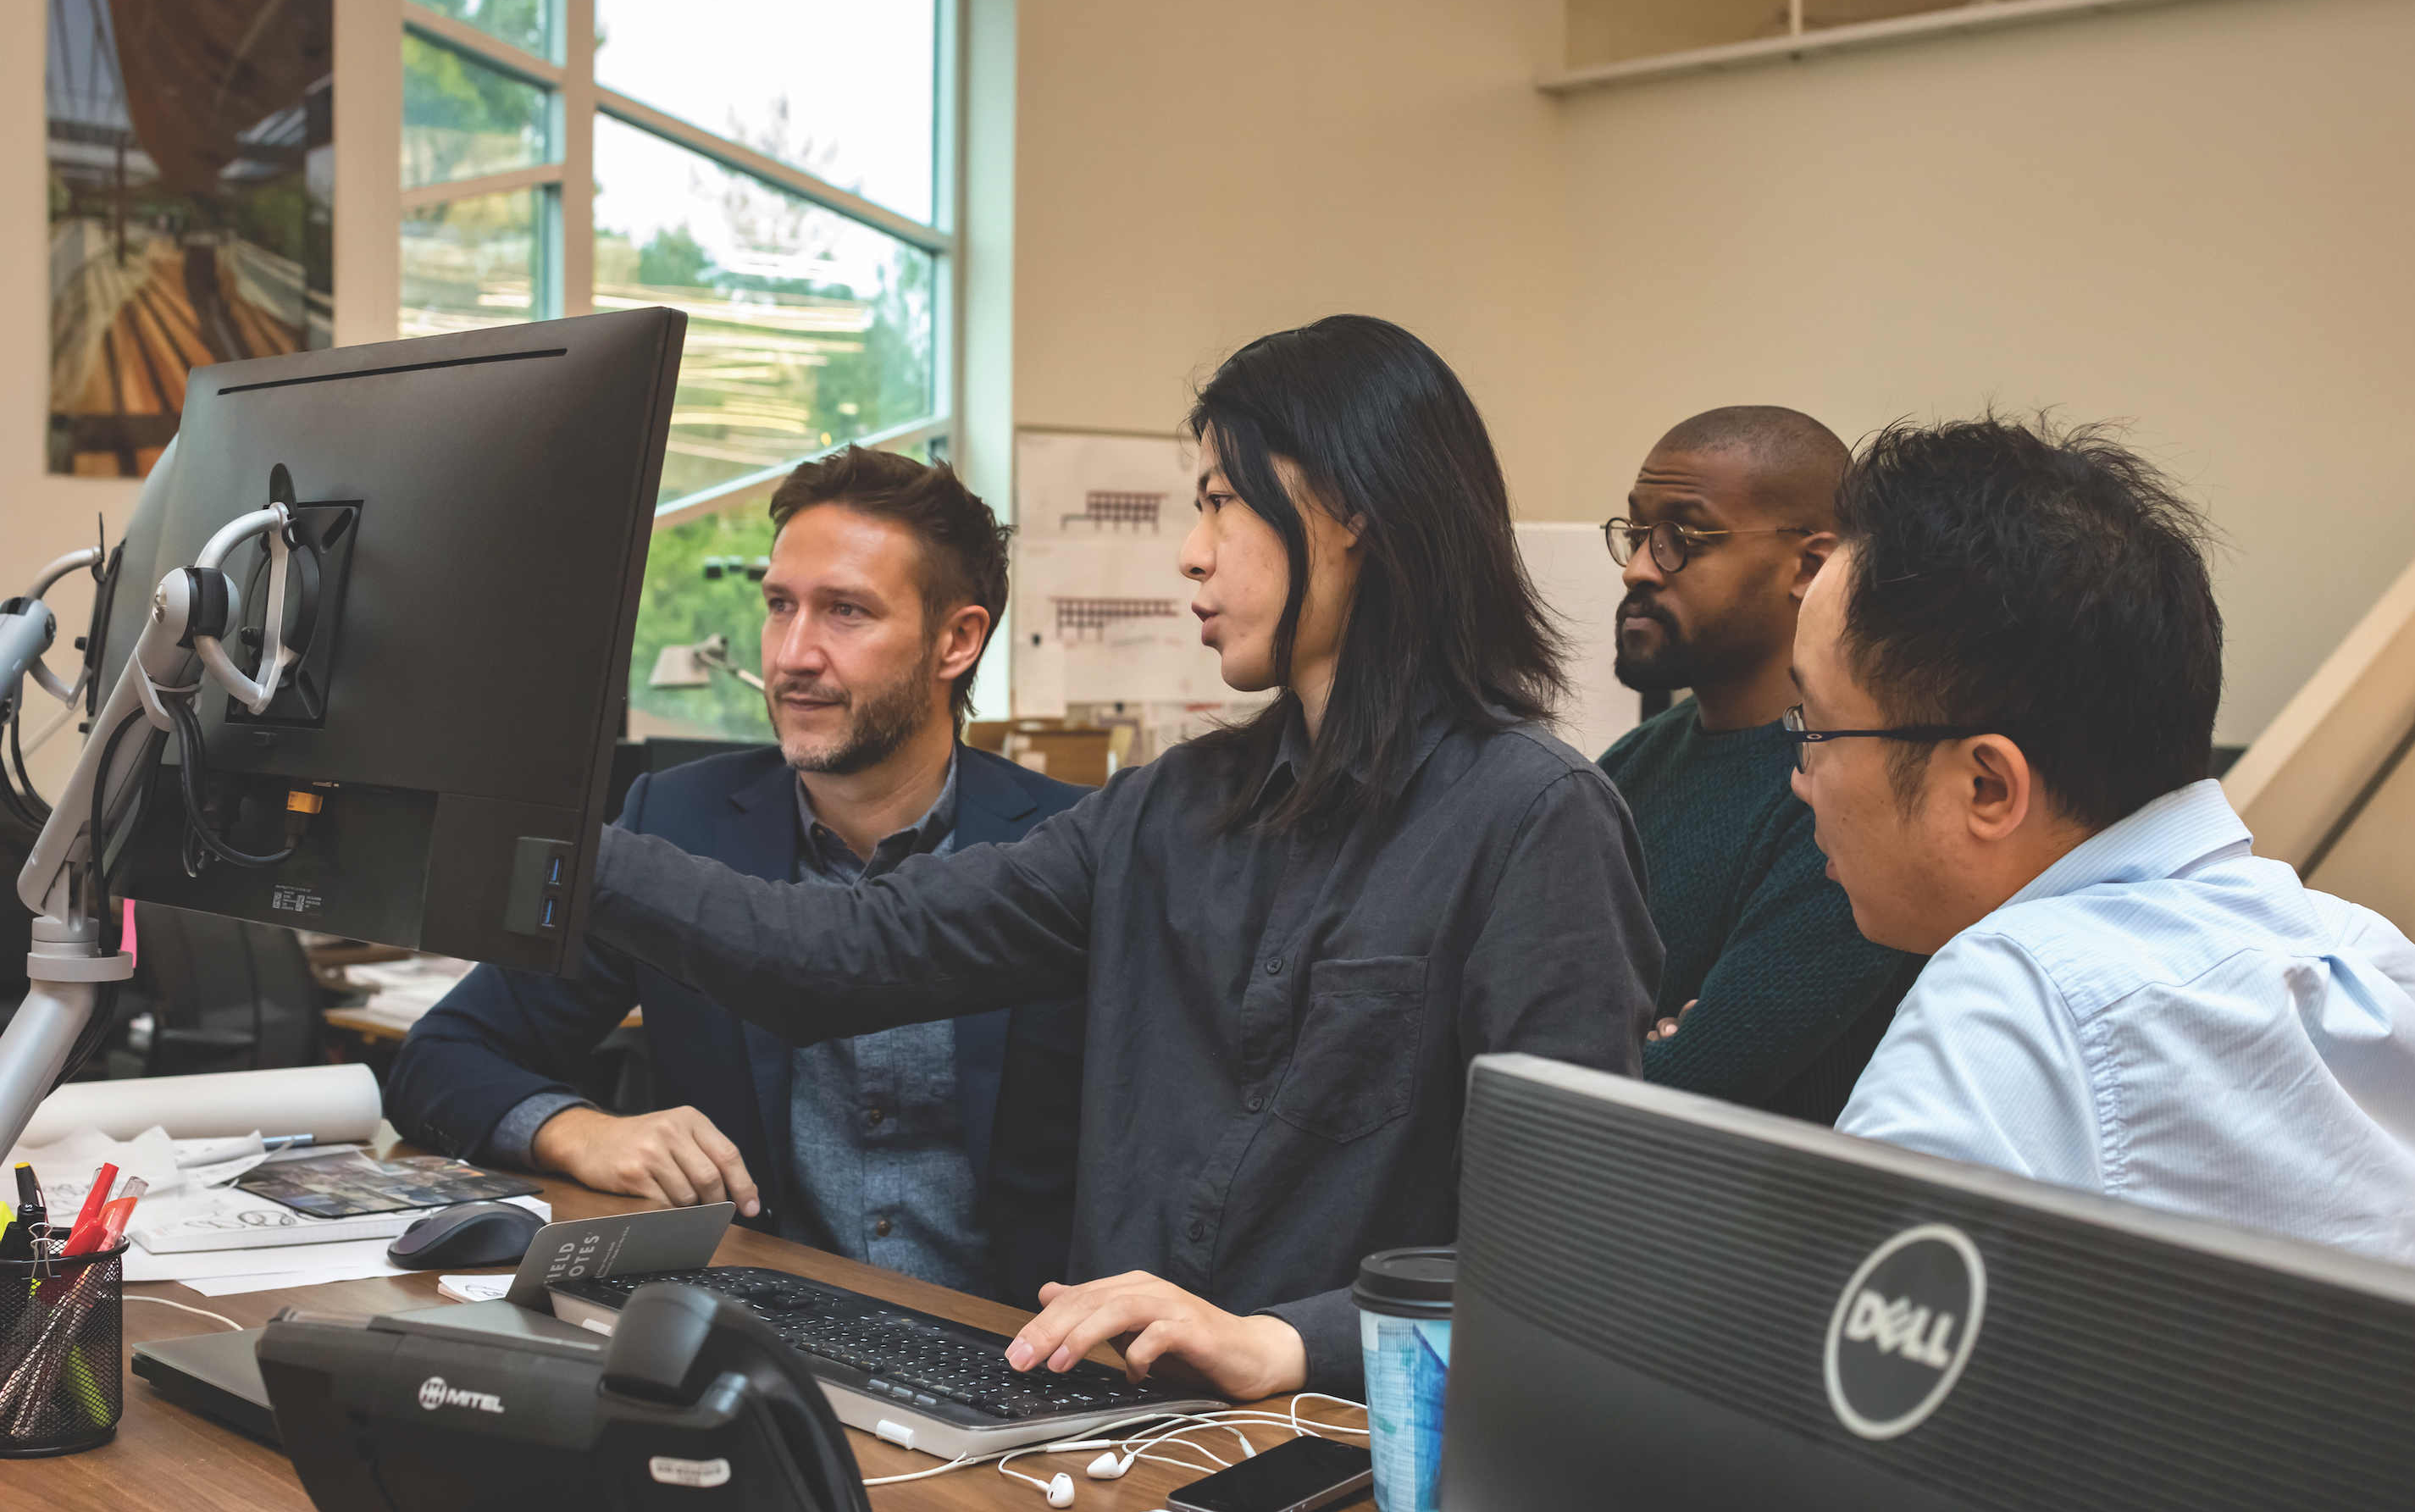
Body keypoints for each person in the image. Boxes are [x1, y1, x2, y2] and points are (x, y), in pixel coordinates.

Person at [578, 314, 1664, 1398]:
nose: (1192, 550)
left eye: (1221, 502)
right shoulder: (1170, 809)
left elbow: (1569, 1257)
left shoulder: (1535, 818)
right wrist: (553, 842)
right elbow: (844, 954)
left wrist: (1281, 1341)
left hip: (1347, 1457)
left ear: (1353, 513)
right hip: (1111, 1436)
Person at [1792, 415, 2415, 1290]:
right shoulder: (2371, 955)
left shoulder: (2011, 995)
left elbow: (1838, 1396)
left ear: (1988, 786)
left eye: (1812, 725)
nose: (1801, 778)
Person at [388, 446, 1092, 1306]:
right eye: (779, 606)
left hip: (1018, 1358)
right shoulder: (675, 828)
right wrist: (581, 1133)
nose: (793, 653)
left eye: (845, 612)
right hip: (761, 1335)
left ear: (958, 639)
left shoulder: (1070, 846)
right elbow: (442, 1056)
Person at [1599, 407, 1919, 1121]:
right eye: (1637, 533)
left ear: (1809, 564)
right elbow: (1519, 1030)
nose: (1638, 569)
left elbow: (1673, 1096)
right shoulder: (1627, 766)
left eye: (1682, 537)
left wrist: (1639, 1054)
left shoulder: (1843, 791)